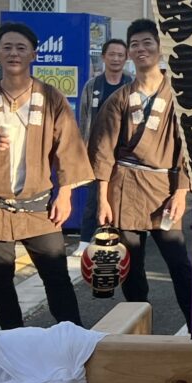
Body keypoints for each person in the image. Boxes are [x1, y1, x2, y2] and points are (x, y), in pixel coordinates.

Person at [0, 22, 92, 330]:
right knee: (0, 279)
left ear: (34, 54)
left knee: (56, 275)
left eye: (21, 48)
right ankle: (14, 342)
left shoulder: (51, 97)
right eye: (7, 47)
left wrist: (66, 193)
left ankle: (73, 338)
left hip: (39, 205)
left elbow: (68, 145)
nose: (14, 53)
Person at [89, 19, 192, 324]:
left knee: (178, 263)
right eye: (134, 44)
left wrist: (182, 192)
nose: (140, 48)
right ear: (129, 53)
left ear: (160, 49)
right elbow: (103, 151)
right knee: (132, 266)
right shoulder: (119, 99)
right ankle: (138, 328)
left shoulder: (179, 96)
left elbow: (188, 148)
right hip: (126, 187)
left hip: (165, 187)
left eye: (147, 42)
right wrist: (103, 199)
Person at [77, 37, 129, 244]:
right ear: (104, 57)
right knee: (93, 199)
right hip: (97, 152)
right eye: (112, 54)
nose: (115, 59)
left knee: (119, 200)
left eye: (120, 55)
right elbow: (83, 120)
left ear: (126, 59)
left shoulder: (131, 83)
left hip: (124, 153)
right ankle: (84, 242)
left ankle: (118, 240)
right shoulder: (92, 86)